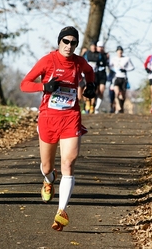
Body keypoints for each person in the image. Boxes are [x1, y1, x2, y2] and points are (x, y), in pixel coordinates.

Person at [20, 26, 96, 231]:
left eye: (73, 43)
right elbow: (24, 84)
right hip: (48, 119)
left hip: (71, 117)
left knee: (68, 162)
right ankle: (48, 180)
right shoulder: (48, 61)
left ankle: (61, 211)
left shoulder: (79, 62)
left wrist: (91, 85)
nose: (69, 46)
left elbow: (90, 72)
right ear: (59, 41)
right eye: (66, 41)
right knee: (47, 167)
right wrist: (43, 87)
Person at [109, 46, 135, 113]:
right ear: (116, 52)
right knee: (117, 93)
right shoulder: (113, 59)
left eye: (121, 51)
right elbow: (110, 66)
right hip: (116, 77)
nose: (120, 52)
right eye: (118, 51)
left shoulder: (126, 59)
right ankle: (118, 107)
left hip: (123, 78)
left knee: (122, 96)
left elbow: (132, 67)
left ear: (122, 52)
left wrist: (125, 69)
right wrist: (114, 69)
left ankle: (121, 107)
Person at [94, 41, 109, 114]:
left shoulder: (106, 55)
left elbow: (109, 64)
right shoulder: (93, 54)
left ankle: (97, 107)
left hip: (103, 74)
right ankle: (92, 105)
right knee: (95, 91)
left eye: (102, 47)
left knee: (101, 91)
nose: (100, 48)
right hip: (95, 74)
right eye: (99, 47)